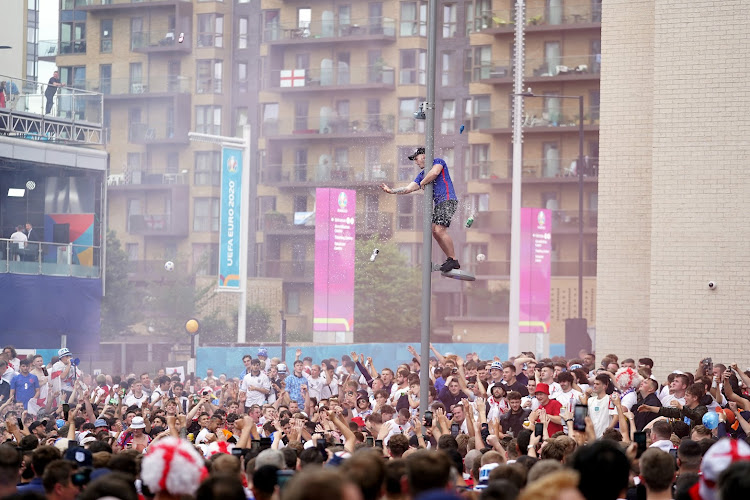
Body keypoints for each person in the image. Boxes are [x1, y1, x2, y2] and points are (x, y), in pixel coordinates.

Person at [380, 147, 460, 273]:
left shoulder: (438, 162)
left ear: (424, 156)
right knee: (434, 231)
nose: (416, 162)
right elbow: (408, 188)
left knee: (439, 230)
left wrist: (423, 182)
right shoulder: (422, 175)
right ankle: (450, 259)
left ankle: (453, 259)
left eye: (416, 159)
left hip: (448, 200)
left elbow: (434, 173)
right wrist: (391, 191)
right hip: (440, 204)